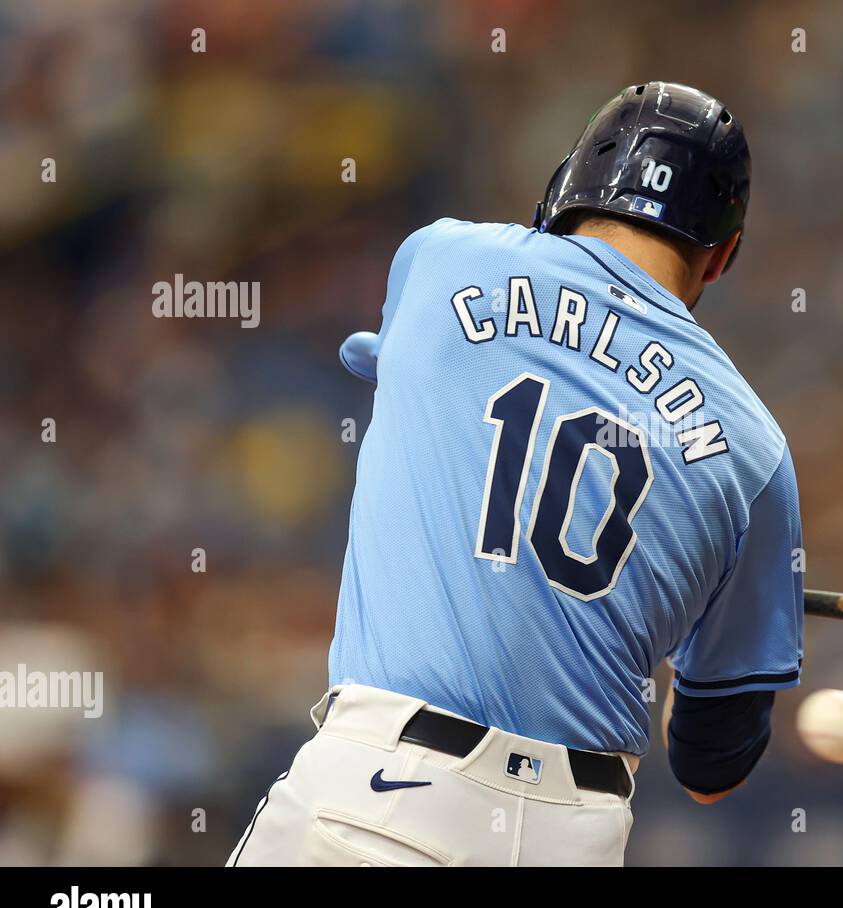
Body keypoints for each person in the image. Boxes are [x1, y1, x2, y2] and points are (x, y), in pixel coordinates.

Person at [228, 81, 803, 867]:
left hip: (381, 798)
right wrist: (701, 612)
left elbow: (460, 398)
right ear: (725, 253)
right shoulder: (758, 453)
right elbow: (710, 768)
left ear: (565, 187)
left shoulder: (441, 260)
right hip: (574, 837)